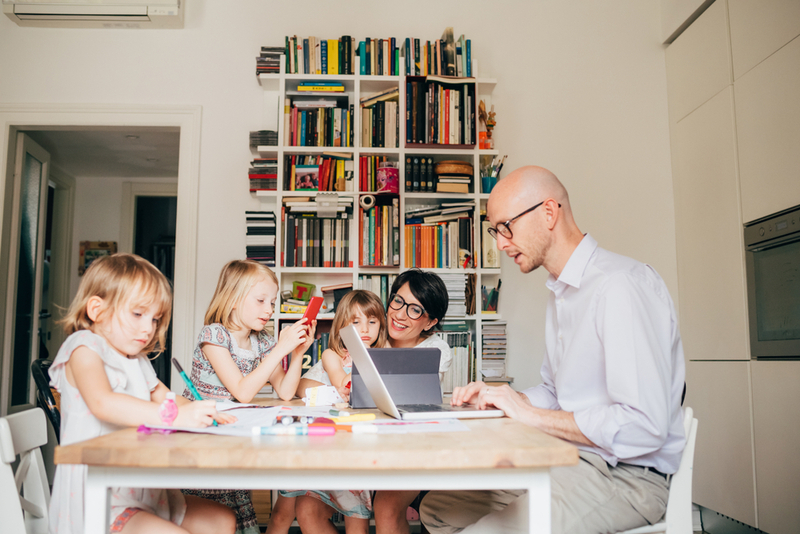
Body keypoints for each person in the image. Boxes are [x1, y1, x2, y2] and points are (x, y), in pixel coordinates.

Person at [420, 166, 687, 534]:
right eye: (494, 230)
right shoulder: (562, 292)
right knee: (438, 508)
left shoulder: (620, 286)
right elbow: (555, 393)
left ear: (549, 212)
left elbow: (644, 425)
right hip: (572, 460)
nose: (499, 243)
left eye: (505, 226)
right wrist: (504, 398)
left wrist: (528, 416)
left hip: (626, 478)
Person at [48, 253, 237, 534]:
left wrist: (211, 413)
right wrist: (175, 417)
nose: (148, 328)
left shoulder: (135, 358)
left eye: (155, 319)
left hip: (142, 488)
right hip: (100, 495)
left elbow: (165, 397)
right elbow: (104, 403)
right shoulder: (84, 347)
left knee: (223, 520)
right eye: (138, 314)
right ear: (96, 310)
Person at [183, 259, 316, 534]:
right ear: (233, 298)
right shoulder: (214, 336)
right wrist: (280, 350)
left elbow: (286, 391)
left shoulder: (263, 340)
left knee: (235, 504)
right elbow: (242, 392)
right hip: (205, 437)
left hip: (232, 433)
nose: (269, 310)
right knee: (211, 505)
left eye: (272, 302)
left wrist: (297, 352)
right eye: (260, 300)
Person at [285, 290, 390, 534]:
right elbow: (340, 381)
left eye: (372, 322)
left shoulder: (384, 352)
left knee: (357, 520)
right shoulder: (332, 354)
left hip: (363, 447)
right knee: (307, 511)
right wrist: (353, 369)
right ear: (342, 326)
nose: (365, 329)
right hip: (330, 444)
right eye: (355, 322)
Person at [373, 269, 452, 534]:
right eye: (398, 301)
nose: (399, 313)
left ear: (430, 322)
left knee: (385, 507)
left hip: (416, 444)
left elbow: (406, 395)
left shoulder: (436, 349)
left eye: (415, 310)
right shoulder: (371, 334)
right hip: (373, 441)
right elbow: (311, 380)